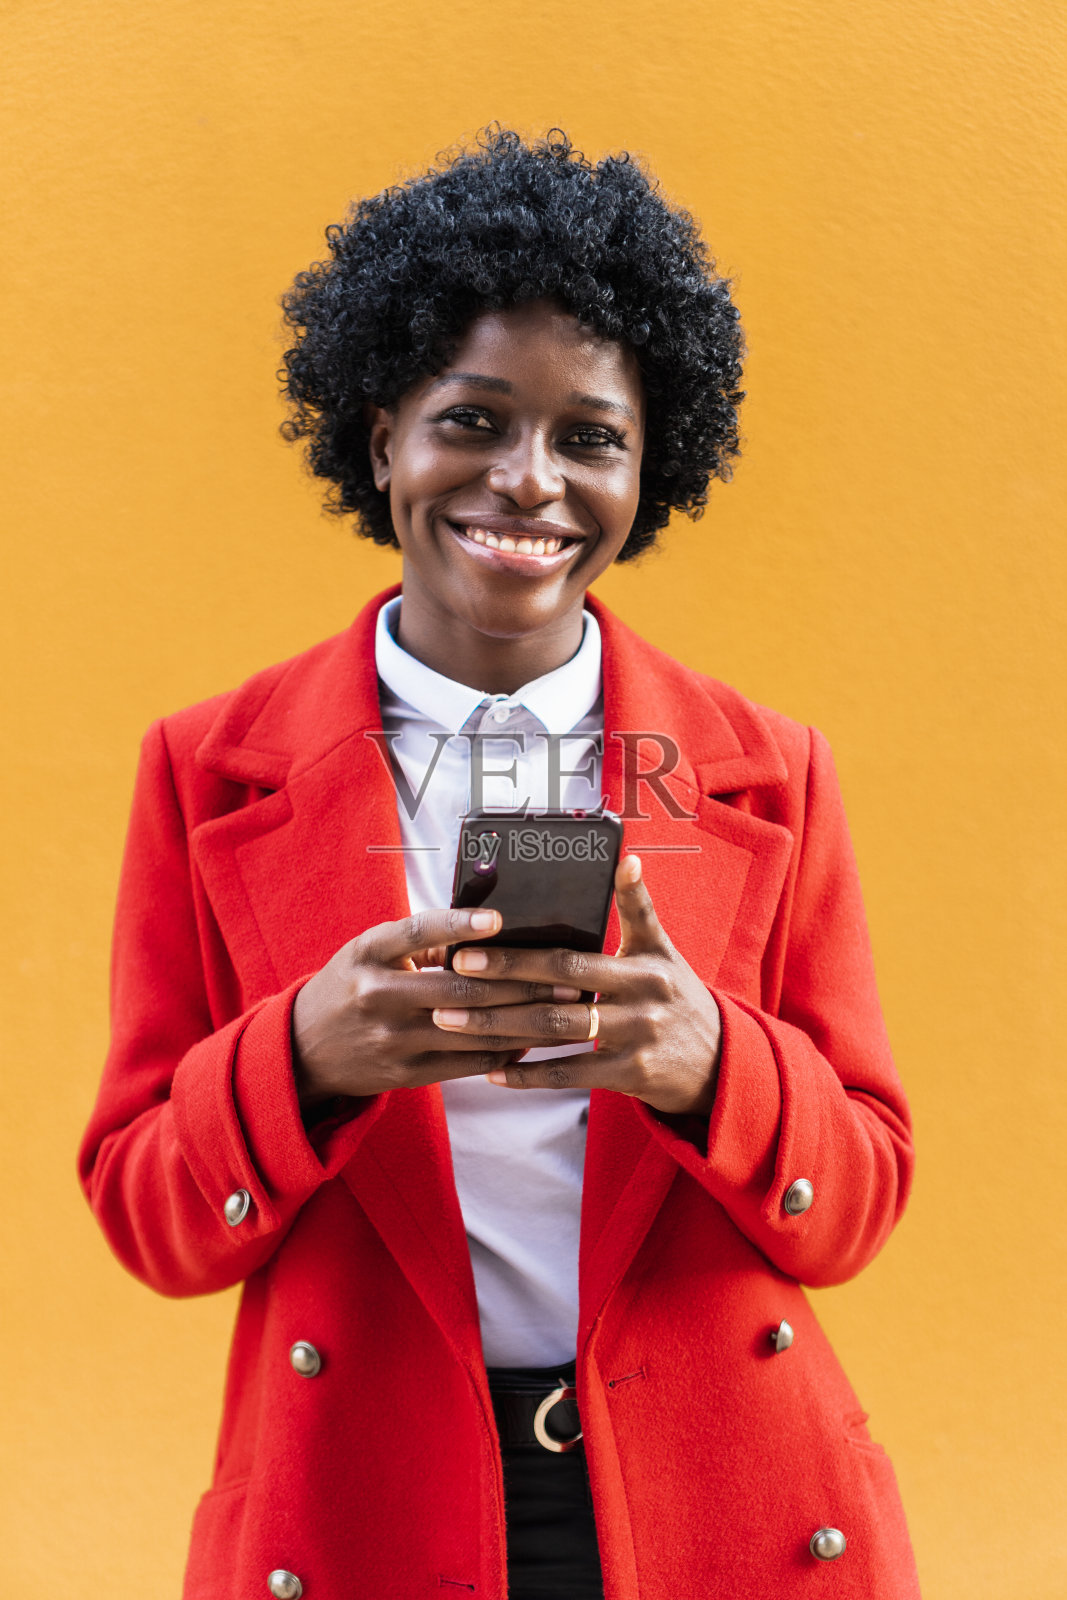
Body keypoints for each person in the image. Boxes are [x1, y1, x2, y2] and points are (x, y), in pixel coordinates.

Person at [79, 128, 920, 1599]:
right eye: (474, 419)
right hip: (363, 1513)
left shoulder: (772, 773)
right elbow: (147, 1212)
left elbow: (860, 1201)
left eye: (590, 436)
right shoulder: (205, 770)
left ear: (650, 471)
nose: (529, 483)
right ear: (382, 428)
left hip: (727, 1507)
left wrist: (713, 1058)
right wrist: (305, 1057)